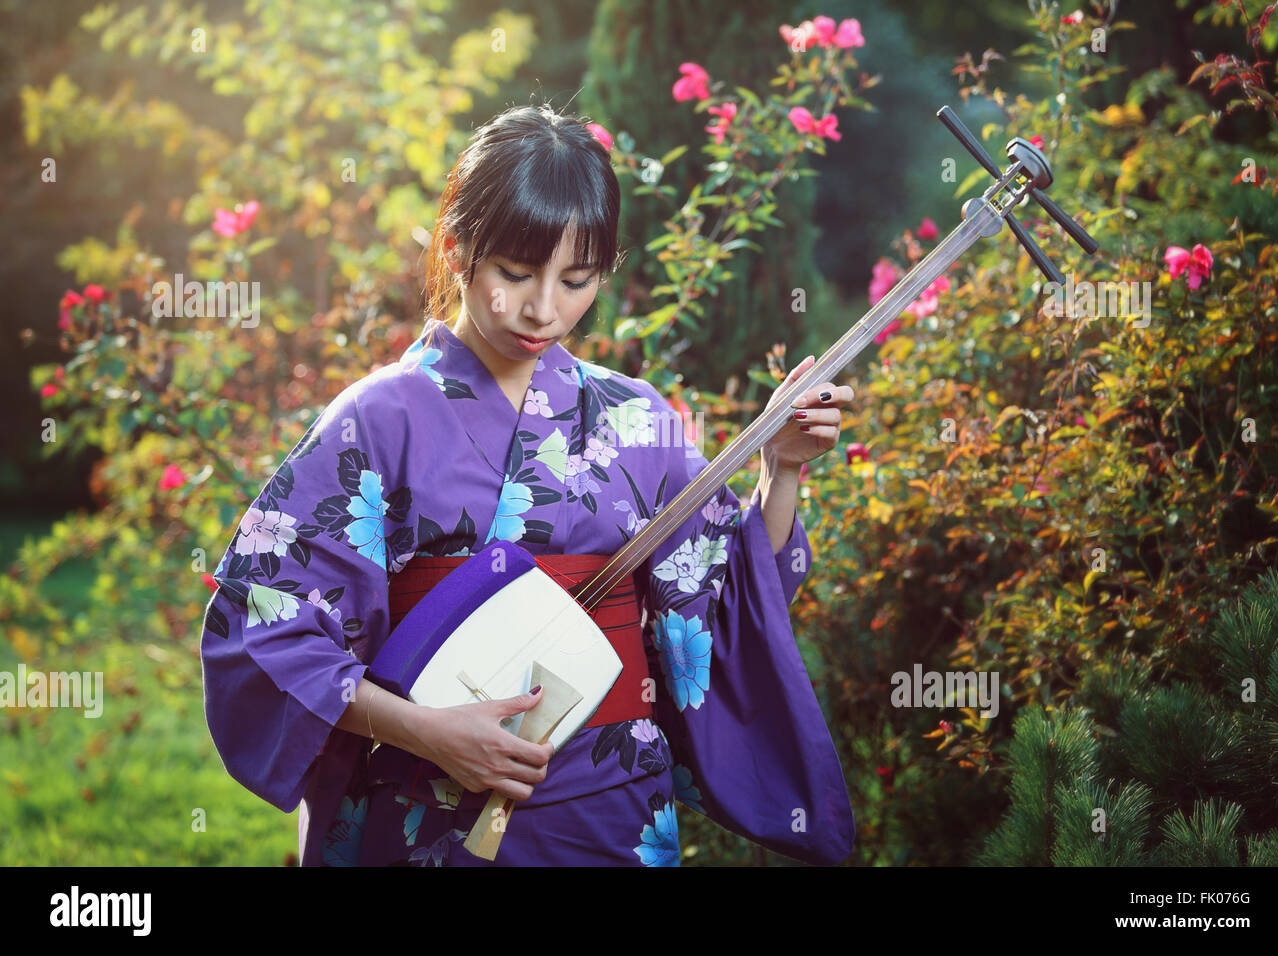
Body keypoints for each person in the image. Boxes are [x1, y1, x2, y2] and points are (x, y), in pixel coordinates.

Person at [200, 102, 855, 866]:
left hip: (610, 805)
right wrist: (423, 730)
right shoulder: (378, 419)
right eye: (516, 273)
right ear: (456, 248)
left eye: (576, 280)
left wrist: (783, 470)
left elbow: (730, 595)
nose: (544, 309)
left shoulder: (636, 419)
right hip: (422, 797)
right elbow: (263, 622)